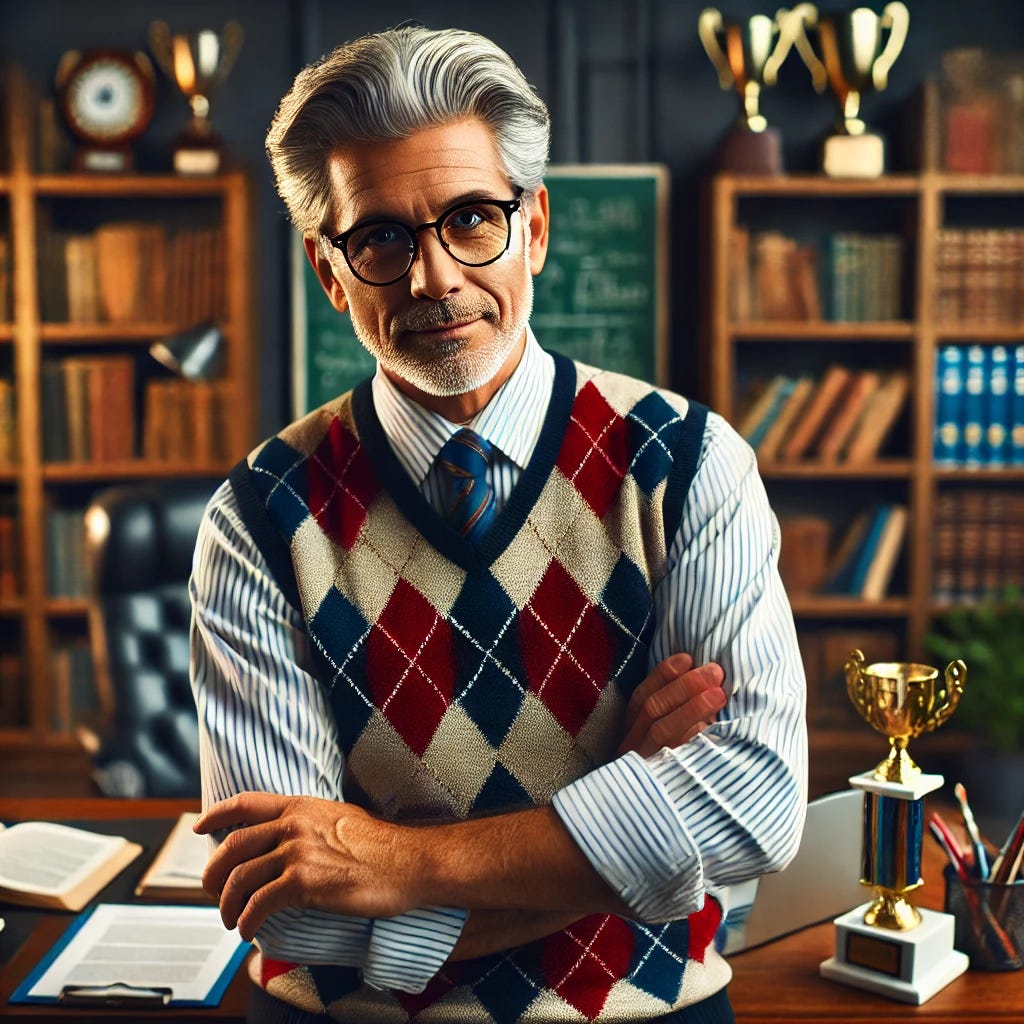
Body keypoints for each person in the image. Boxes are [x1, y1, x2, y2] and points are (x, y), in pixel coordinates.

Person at [189, 23, 807, 1024]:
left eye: (472, 218)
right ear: (327, 269)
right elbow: (292, 912)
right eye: (381, 236)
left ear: (537, 226)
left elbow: (751, 807)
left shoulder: (690, 467)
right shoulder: (257, 516)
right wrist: (629, 824)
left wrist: (397, 862)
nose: (433, 277)